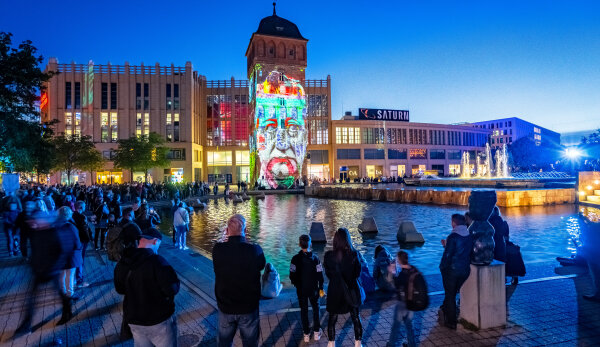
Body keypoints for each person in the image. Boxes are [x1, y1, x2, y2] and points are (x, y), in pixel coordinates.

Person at [114, 228, 180, 347]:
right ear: (155, 241)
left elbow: (120, 289)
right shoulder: (157, 262)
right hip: (158, 320)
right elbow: (172, 289)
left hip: (134, 320)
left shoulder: (123, 262)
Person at [15, 209, 72, 335]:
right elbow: (35, 250)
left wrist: (54, 268)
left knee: (59, 293)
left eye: (35, 221)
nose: (32, 223)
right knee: (31, 298)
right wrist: (32, 263)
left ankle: (67, 310)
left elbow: (63, 252)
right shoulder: (37, 232)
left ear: (43, 221)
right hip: (38, 270)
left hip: (51, 271)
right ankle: (26, 324)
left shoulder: (55, 232)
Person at [212, 214, 266, 347]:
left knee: (224, 342)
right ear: (246, 230)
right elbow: (261, 265)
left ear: (226, 230)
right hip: (248, 306)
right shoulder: (255, 250)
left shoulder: (217, 250)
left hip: (226, 306)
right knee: (250, 343)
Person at [323, 228, 363, 347]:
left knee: (332, 318)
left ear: (335, 240)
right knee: (355, 317)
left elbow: (329, 274)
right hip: (351, 289)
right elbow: (357, 273)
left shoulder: (328, 256)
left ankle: (331, 343)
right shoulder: (354, 254)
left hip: (335, 290)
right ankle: (358, 344)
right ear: (348, 239)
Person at [439, 214, 473, 329]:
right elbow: (463, 252)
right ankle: (445, 309)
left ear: (454, 222)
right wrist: (447, 245)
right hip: (465, 271)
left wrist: (442, 267)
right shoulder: (469, 235)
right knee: (452, 293)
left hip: (452, 271)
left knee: (450, 295)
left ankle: (451, 322)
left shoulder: (453, 236)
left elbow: (448, 255)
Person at [289, 234, 324, 343]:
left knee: (303, 310)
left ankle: (306, 334)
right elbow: (320, 275)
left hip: (301, 289)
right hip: (313, 289)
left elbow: (292, 274)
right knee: (316, 309)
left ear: (299, 244)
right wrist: (321, 288)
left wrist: (296, 284)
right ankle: (317, 332)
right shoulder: (315, 258)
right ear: (310, 244)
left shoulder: (295, 259)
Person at [388, 251, 417, 347]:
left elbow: (394, 285)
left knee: (396, 326)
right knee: (409, 326)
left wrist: (392, 273)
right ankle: (412, 344)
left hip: (402, 304)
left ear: (399, 261)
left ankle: (391, 345)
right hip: (411, 303)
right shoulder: (413, 270)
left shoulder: (402, 275)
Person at [56, 206, 82, 302]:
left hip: (60, 255)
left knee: (62, 274)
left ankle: (62, 291)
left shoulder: (55, 225)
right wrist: (79, 248)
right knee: (70, 275)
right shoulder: (70, 226)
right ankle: (70, 293)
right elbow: (76, 242)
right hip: (71, 255)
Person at [579, 213, 600, 302]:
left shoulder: (595, 227)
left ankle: (598, 295)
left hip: (594, 255)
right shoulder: (595, 226)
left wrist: (582, 222)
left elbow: (586, 233)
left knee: (596, 276)